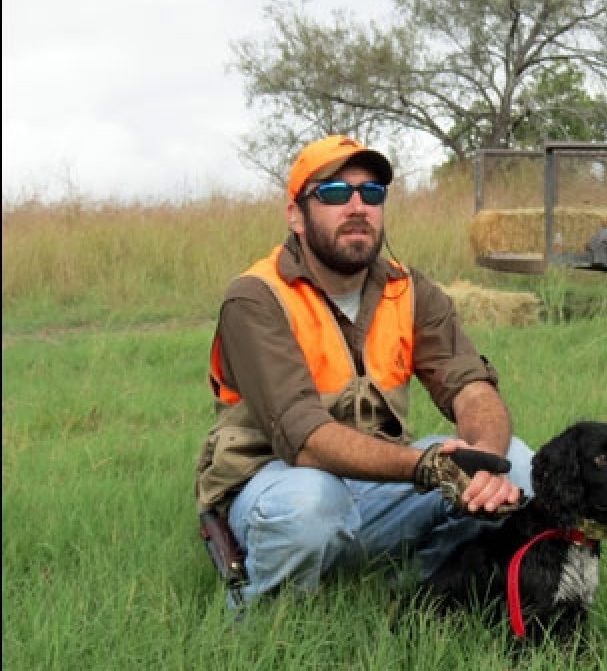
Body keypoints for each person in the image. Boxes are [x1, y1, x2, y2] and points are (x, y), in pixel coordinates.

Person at [194, 134, 533, 606]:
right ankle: (263, 623)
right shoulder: (255, 298)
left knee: (521, 465)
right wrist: (427, 467)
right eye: (334, 193)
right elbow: (306, 439)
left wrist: (488, 466)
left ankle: (409, 598)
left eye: (371, 193)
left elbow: (471, 388)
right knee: (311, 503)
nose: (357, 206)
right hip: (275, 484)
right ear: (296, 215)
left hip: (378, 481)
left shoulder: (410, 289)